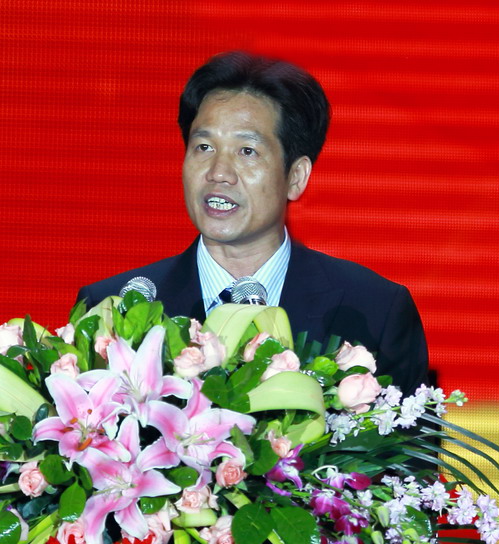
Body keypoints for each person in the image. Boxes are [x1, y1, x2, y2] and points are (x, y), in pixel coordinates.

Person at [77, 51, 428, 394]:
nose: (218, 173)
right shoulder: (110, 308)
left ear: (296, 177)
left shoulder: (375, 311)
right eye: (203, 147)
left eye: (247, 151)